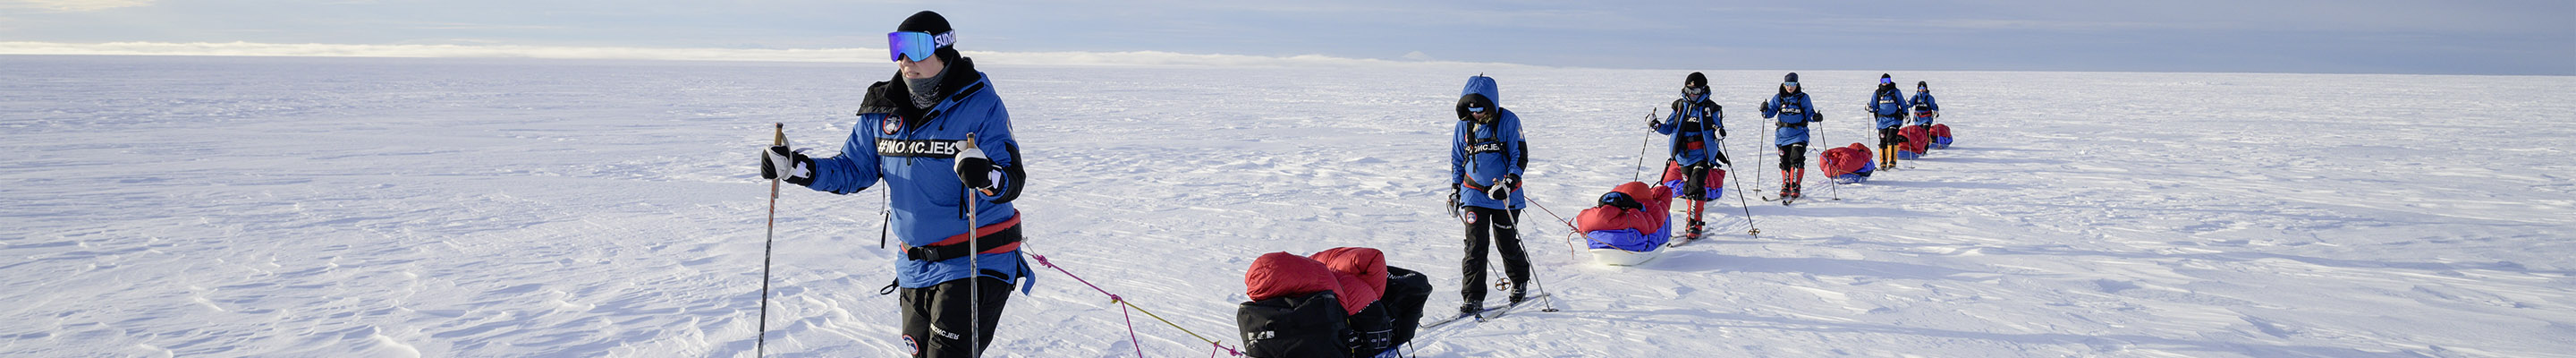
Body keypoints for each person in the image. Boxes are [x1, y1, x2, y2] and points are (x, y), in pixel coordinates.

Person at [760, 11, 1033, 358]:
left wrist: (985, 175)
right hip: (915, 264)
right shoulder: (883, 108)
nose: (904, 60)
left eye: (915, 49)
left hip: (977, 260)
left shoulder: (980, 104)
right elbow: (854, 169)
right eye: (897, 49)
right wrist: (797, 169)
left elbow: (1011, 179)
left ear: (944, 50)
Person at [1447, 74, 1531, 315]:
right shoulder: (1462, 127)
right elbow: (1457, 160)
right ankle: (1473, 297)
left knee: (1506, 243)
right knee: (1475, 246)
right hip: (1473, 193)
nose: (1476, 114)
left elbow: (1520, 156)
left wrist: (1509, 182)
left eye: (1481, 108)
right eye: (1471, 109)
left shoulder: (1509, 121)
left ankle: (1520, 280)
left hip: (1506, 195)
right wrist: (1455, 191)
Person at [1648, 72, 1730, 238]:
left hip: (1702, 155)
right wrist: (1655, 124)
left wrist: (1720, 133)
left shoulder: (1712, 108)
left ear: (1704, 90)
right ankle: (1691, 221)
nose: (1692, 94)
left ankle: (1694, 224)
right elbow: (1669, 128)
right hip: (1683, 156)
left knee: (1696, 186)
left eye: (1696, 91)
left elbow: (1717, 128)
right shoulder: (1679, 106)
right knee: (1687, 189)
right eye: (1689, 90)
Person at [1758, 72, 1823, 200]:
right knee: (1785, 161)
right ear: (1784, 84)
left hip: (1799, 134)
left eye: (1792, 84)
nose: (1790, 87)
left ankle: (1795, 185)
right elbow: (1769, 114)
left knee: (1796, 159)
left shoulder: (1803, 98)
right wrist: (1764, 110)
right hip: (1782, 135)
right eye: (1787, 84)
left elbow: (1809, 113)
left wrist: (1815, 117)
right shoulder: (1779, 98)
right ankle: (1786, 185)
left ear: (1797, 84)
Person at [1867, 73, 1911, 168]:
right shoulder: (1877, 93)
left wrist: (1906, 114)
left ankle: (1892, 161)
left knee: (1891, 137)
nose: (1886, 83)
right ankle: (1883, 162)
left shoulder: (1896, 92)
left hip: (1894, 120)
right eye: (1883, 81)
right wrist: (1869, 108)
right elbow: (1873, 106)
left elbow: (1903, 104)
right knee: (1883, 139)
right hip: (1882, 121)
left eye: (1887, 81)